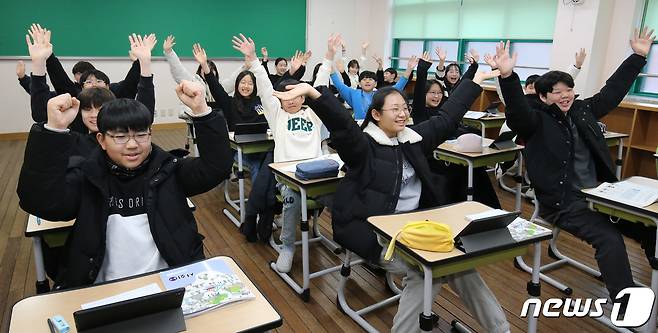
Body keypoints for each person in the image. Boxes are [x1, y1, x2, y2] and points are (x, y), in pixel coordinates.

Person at [273, 60, 509, 333]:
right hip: (372, 230)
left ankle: (500, 329)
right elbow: (343, 127)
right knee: (426, 272)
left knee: (458, 263)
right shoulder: (364, 147)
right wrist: (313, 94)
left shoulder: (414, 138)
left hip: (416, 229)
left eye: (405, 108)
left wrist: (475, 81)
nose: (402, 114)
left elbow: (447, 118)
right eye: (394, 109)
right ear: (375, 115)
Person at [17, 79, 233, 288]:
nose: (132, 145)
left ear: (150, 134)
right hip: (103, 287)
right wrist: (53, 130)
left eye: (141, 135)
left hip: (171, 281)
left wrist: (202, 111)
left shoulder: (169, 170)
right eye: (120, 137)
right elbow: (39, 200)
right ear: (101, 140)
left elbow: (216, 167)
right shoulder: (87, 177)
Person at [496, 27, 657, 301]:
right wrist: (508, 76)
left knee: (651, 228)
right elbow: (517, 112)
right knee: (609, 239)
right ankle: (625, 302)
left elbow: (612, 92)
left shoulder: (583, 110)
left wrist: (638, 57)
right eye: (558, 92)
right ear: (544, 97)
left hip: (603, 195)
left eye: (569, 89)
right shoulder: (536, 121)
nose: (566, 95)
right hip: (564, 203)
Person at [233, 33, 330, 271]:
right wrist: (254, 60)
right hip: (289, 178)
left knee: (348, 193)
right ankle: (287, 247)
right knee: (292, 198)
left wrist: (328, 58)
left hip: (320, 175)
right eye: (285, 96)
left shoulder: (313, 114)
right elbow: (265, 87)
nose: (291, 100)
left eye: (296, 95)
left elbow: (322, 87)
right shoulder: (277, 116)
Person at [412, 51, 501, 208]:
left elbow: (461, 87)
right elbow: (419, 88)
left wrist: (474, 67)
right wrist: (422, 69)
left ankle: (489, 210)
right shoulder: (420, 111)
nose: (436, 96)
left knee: (477, 170)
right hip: (434, 160)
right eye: (432, 93)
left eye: (439, 93)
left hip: (455, 154)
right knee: (462, 172)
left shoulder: (444, 109)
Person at [330, 38, 415, 121]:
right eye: (364, 79)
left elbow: (398, 87)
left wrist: (409, 69)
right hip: (359, 128)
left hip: (377, 127)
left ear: (375, 84)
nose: (367, 81)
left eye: (370, 79)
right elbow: (338, 84)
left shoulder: (381, 94)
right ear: (359, 83)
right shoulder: (353, 93)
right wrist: (329, 58)